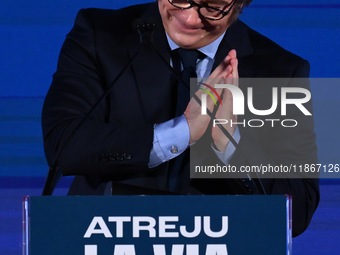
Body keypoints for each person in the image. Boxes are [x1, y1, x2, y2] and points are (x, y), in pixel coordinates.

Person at [42, 0, 319, 236]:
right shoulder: (99, 33)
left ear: (238, 5)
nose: (188, 17)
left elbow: (298, 212)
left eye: (212, 7)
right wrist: (182, 131)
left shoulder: (281, 70)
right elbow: (63, 146)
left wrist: (229, 143)